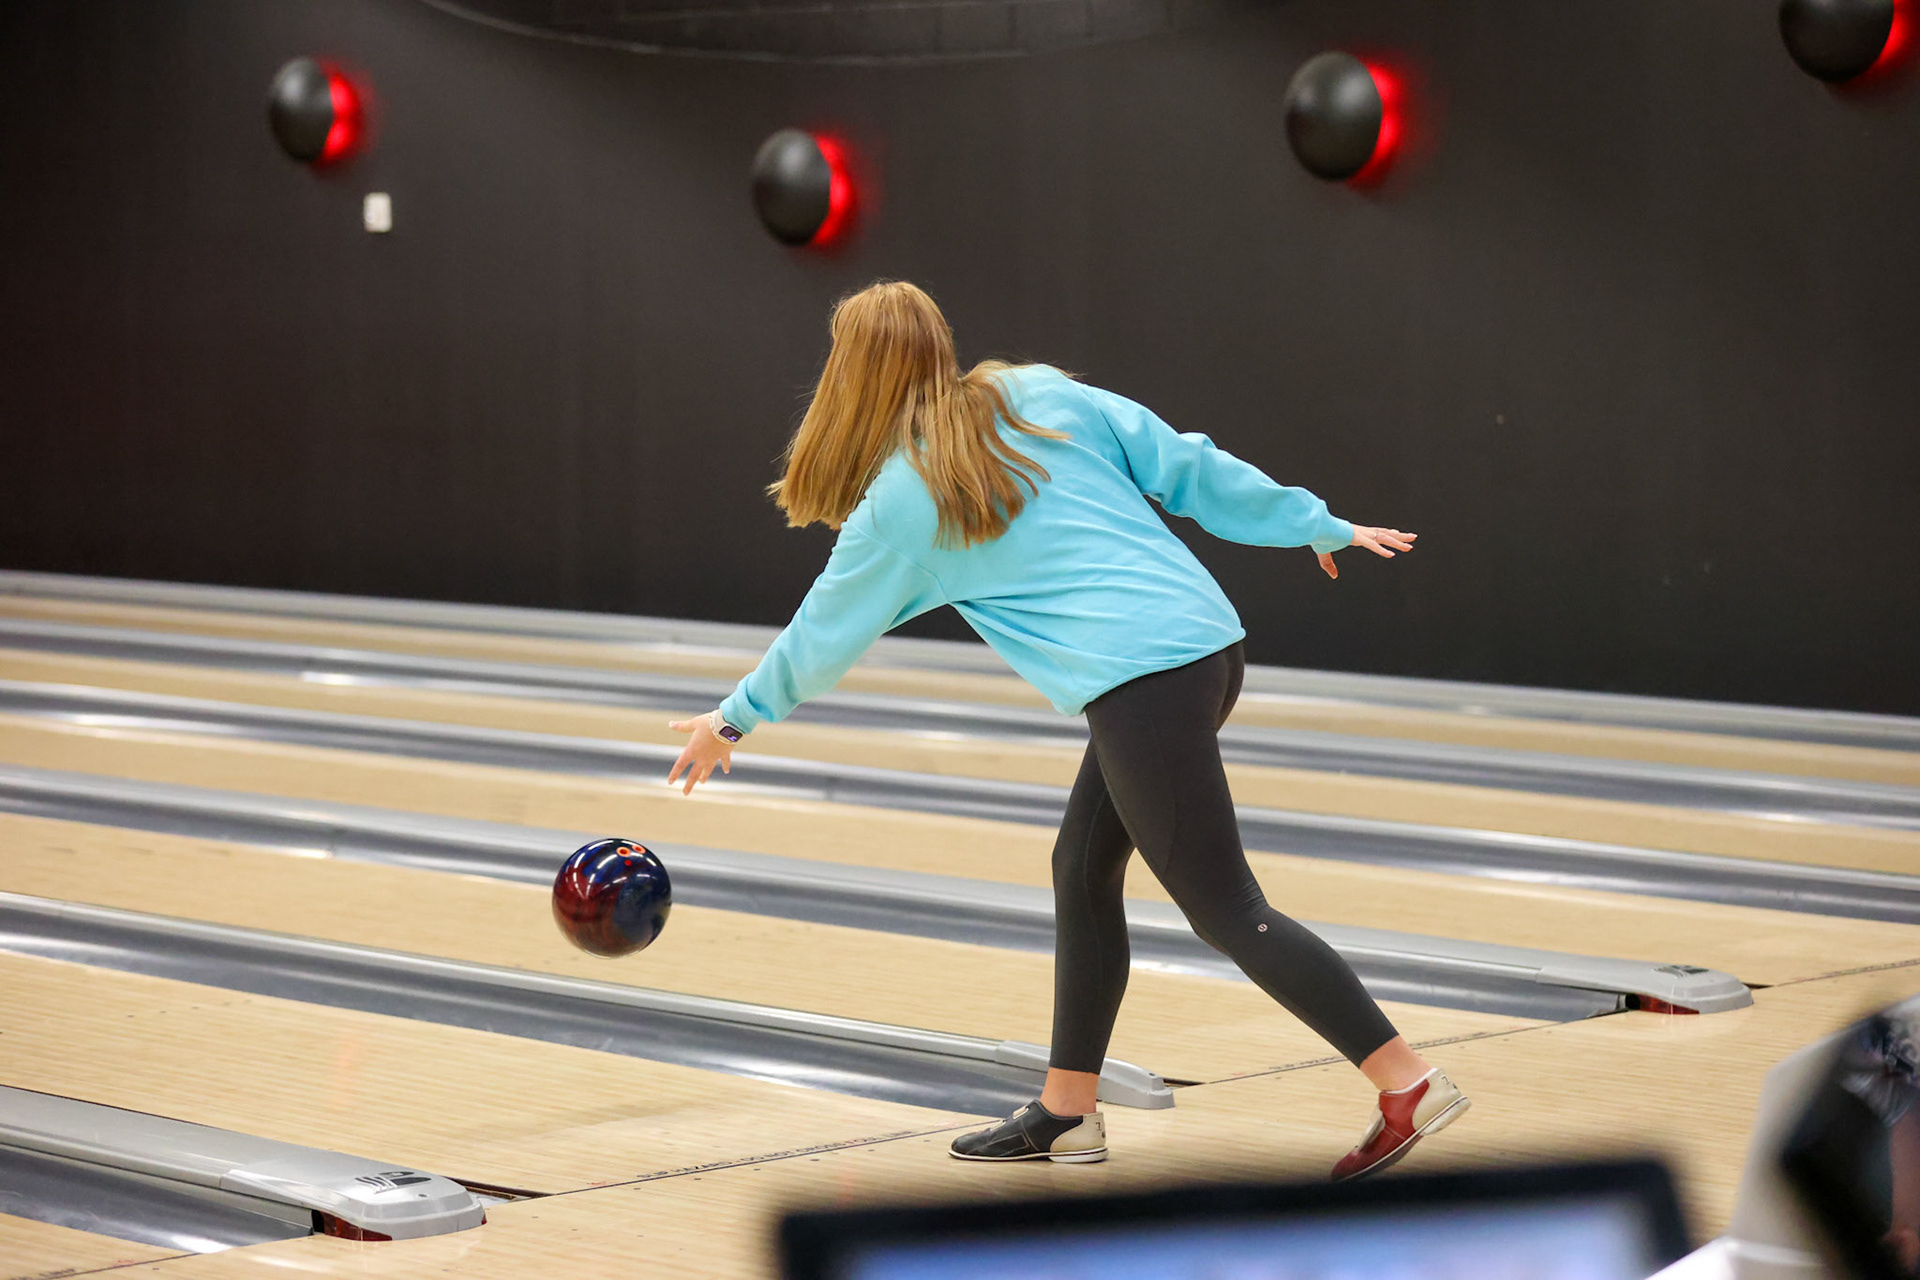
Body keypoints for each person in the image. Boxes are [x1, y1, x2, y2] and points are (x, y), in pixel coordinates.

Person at [666, 280, 1469, 1180]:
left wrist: (730, 721)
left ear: (848, 376)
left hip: (1143, 684)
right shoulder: (1037, 394)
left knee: (1227, 909)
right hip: (1203, 650)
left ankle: (1406, 1082)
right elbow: (1186, 462)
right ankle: (1066, 1112)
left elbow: (823, 633)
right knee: (1081, 872)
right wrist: (1307, 523)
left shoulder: (898, 502)